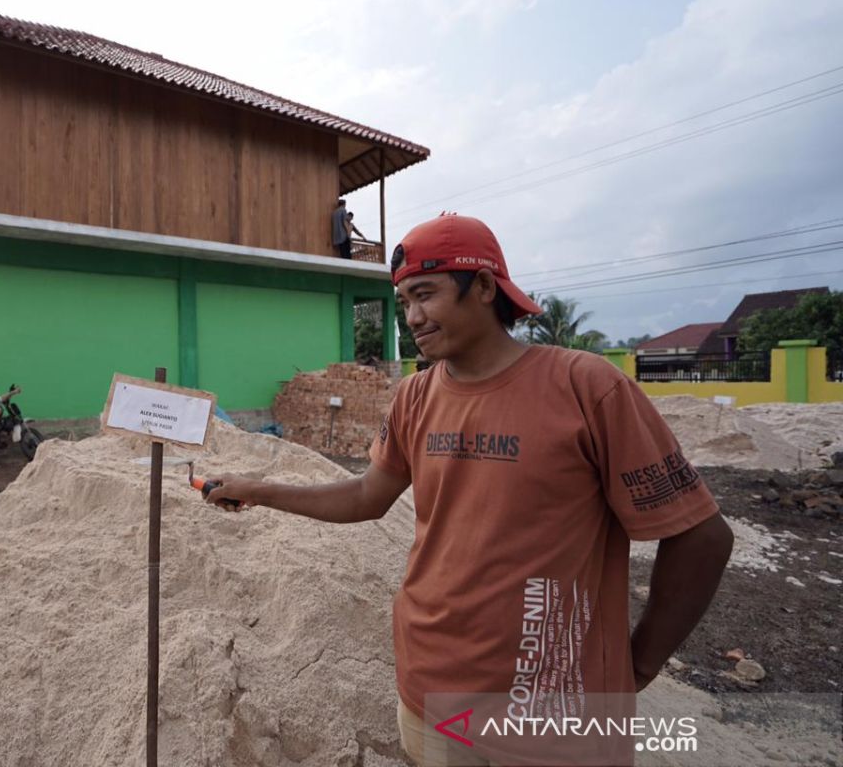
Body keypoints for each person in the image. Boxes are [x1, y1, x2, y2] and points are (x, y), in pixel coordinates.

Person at [205, 214, 734, 766]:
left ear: (483, 288)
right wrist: (260, 490)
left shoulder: (588, 388)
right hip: (430, 692)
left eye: (425, 295)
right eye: (404, 301)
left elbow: (702, 537)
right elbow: (367, 497)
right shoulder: (413, 397)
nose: (412, 317)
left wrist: (637, 667)